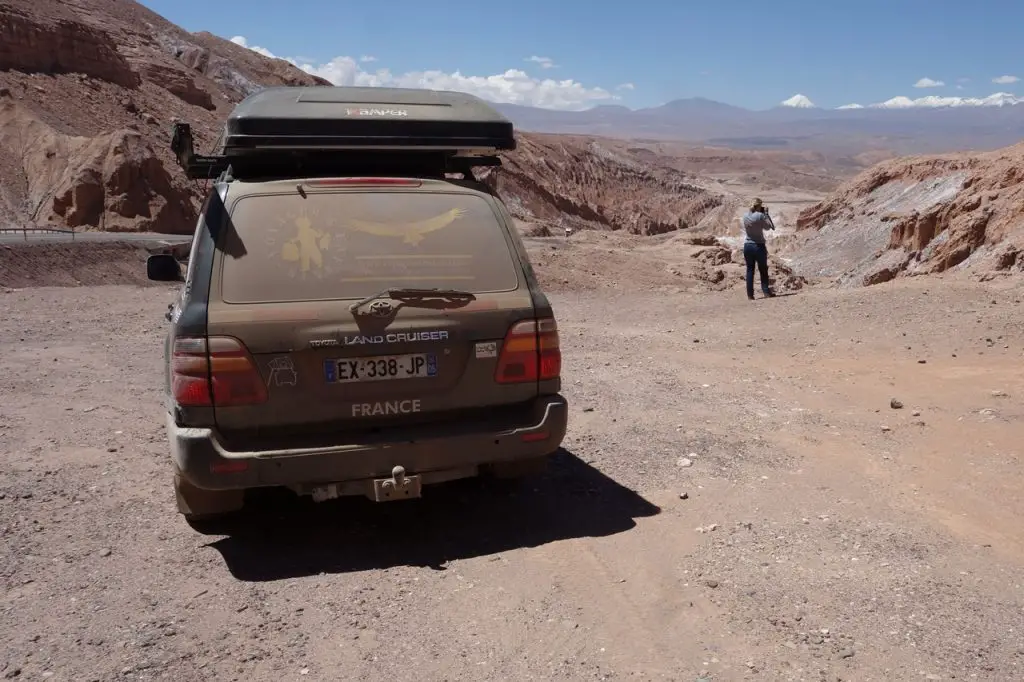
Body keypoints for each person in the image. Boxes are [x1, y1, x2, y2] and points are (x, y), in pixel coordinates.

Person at [740, 198, 776, 300]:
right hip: (758, 246)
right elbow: (769, 227)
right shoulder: (760, 215)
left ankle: (750, 295)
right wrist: (766, 214)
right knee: (763, 269)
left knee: (750, 270)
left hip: (747, 246)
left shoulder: (745, 216)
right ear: (759, 206)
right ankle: (766, 292)